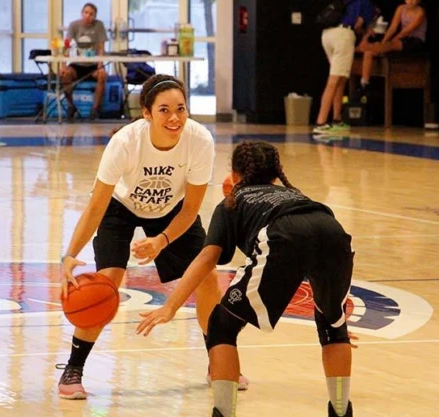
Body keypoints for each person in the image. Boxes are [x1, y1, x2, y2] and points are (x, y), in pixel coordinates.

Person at [58, 74, 248, 400]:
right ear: (146, 113)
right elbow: (96, 206)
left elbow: (190, 210)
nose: (174, 117)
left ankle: (217, 359)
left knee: (206, 276)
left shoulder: (199, 141)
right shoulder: (124, 143)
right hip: (119, 207)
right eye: (163, 110)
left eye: (181, 109)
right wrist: (69, 254)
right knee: (106, 282)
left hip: (172, 209)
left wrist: (161, 240)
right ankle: (73, 370)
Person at [137, 140, 357, 417]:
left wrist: (170, 306)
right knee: (332, 327)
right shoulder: (296, 196)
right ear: (277, 174)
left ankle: (223, 413)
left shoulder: (231, 202)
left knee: (220, 326)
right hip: (333, 230)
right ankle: (341, 412)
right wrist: (333, 309)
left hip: (284, 235)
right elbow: (311, 248)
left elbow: (206, 260)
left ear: (234, 174)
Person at [313, 0, 375, 134]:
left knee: (340, 78)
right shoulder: (367, 4)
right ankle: (321, 123)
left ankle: (337, 119)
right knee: (334, 80)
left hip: (327, 35)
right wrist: (367, 31)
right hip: (344, 36)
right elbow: (358, 25)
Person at [358, 0, 427, 95]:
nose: (411, 1)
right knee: (369, 52)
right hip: (401, 40)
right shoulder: (401, 8)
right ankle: (364, 83)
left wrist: (390, 42)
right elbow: (392, 28)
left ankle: (368, 47)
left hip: (415, 41)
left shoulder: (420, 12)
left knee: (389, 45)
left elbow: (407, 30)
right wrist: (384, 42)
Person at [62, 3, 108, 119]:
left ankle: (95, 109)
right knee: (65, 74)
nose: (88, 16)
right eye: (86, 13)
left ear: (95, 16)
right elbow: (66, 46)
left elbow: (101, 48)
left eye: (91, 14)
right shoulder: (74, 25)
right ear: (82, 13)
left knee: (102, 75)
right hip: (77, 64)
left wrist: (100, 65)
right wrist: (63, 65)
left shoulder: (99, 26)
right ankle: (71, 106)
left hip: (92, 65)